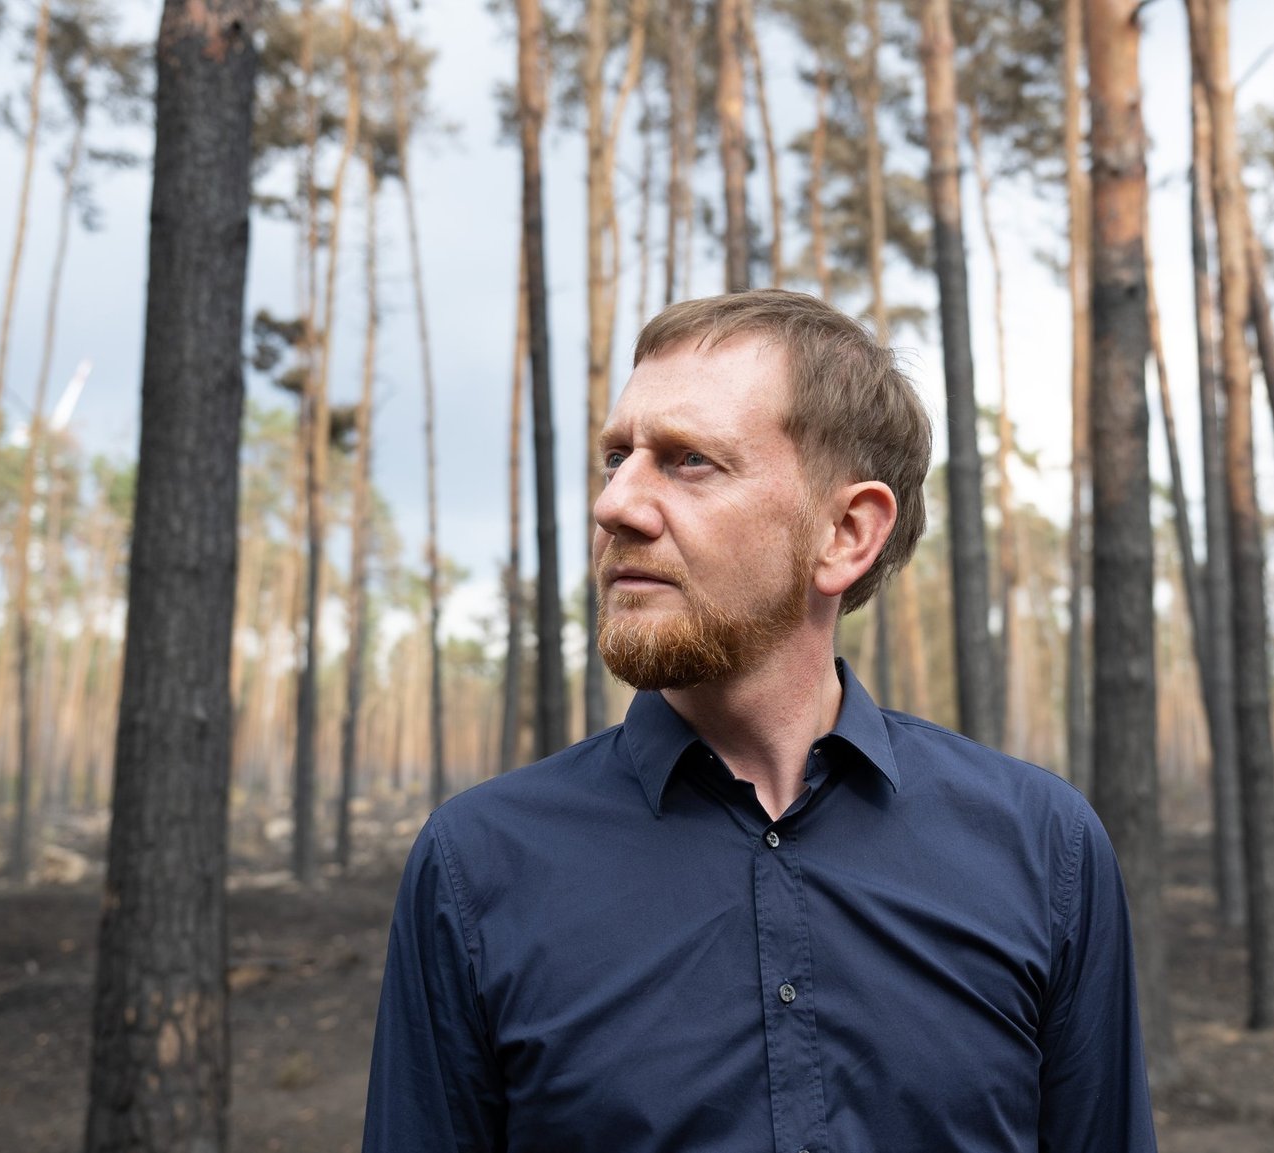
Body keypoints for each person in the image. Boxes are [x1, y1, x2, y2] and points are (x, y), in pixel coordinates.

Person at [362, 289, 1156, 1152]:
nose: (616, 504)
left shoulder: (1044, 851)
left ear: (847, 532)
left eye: (689, 460)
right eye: (616, 456)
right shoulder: (478, 866)